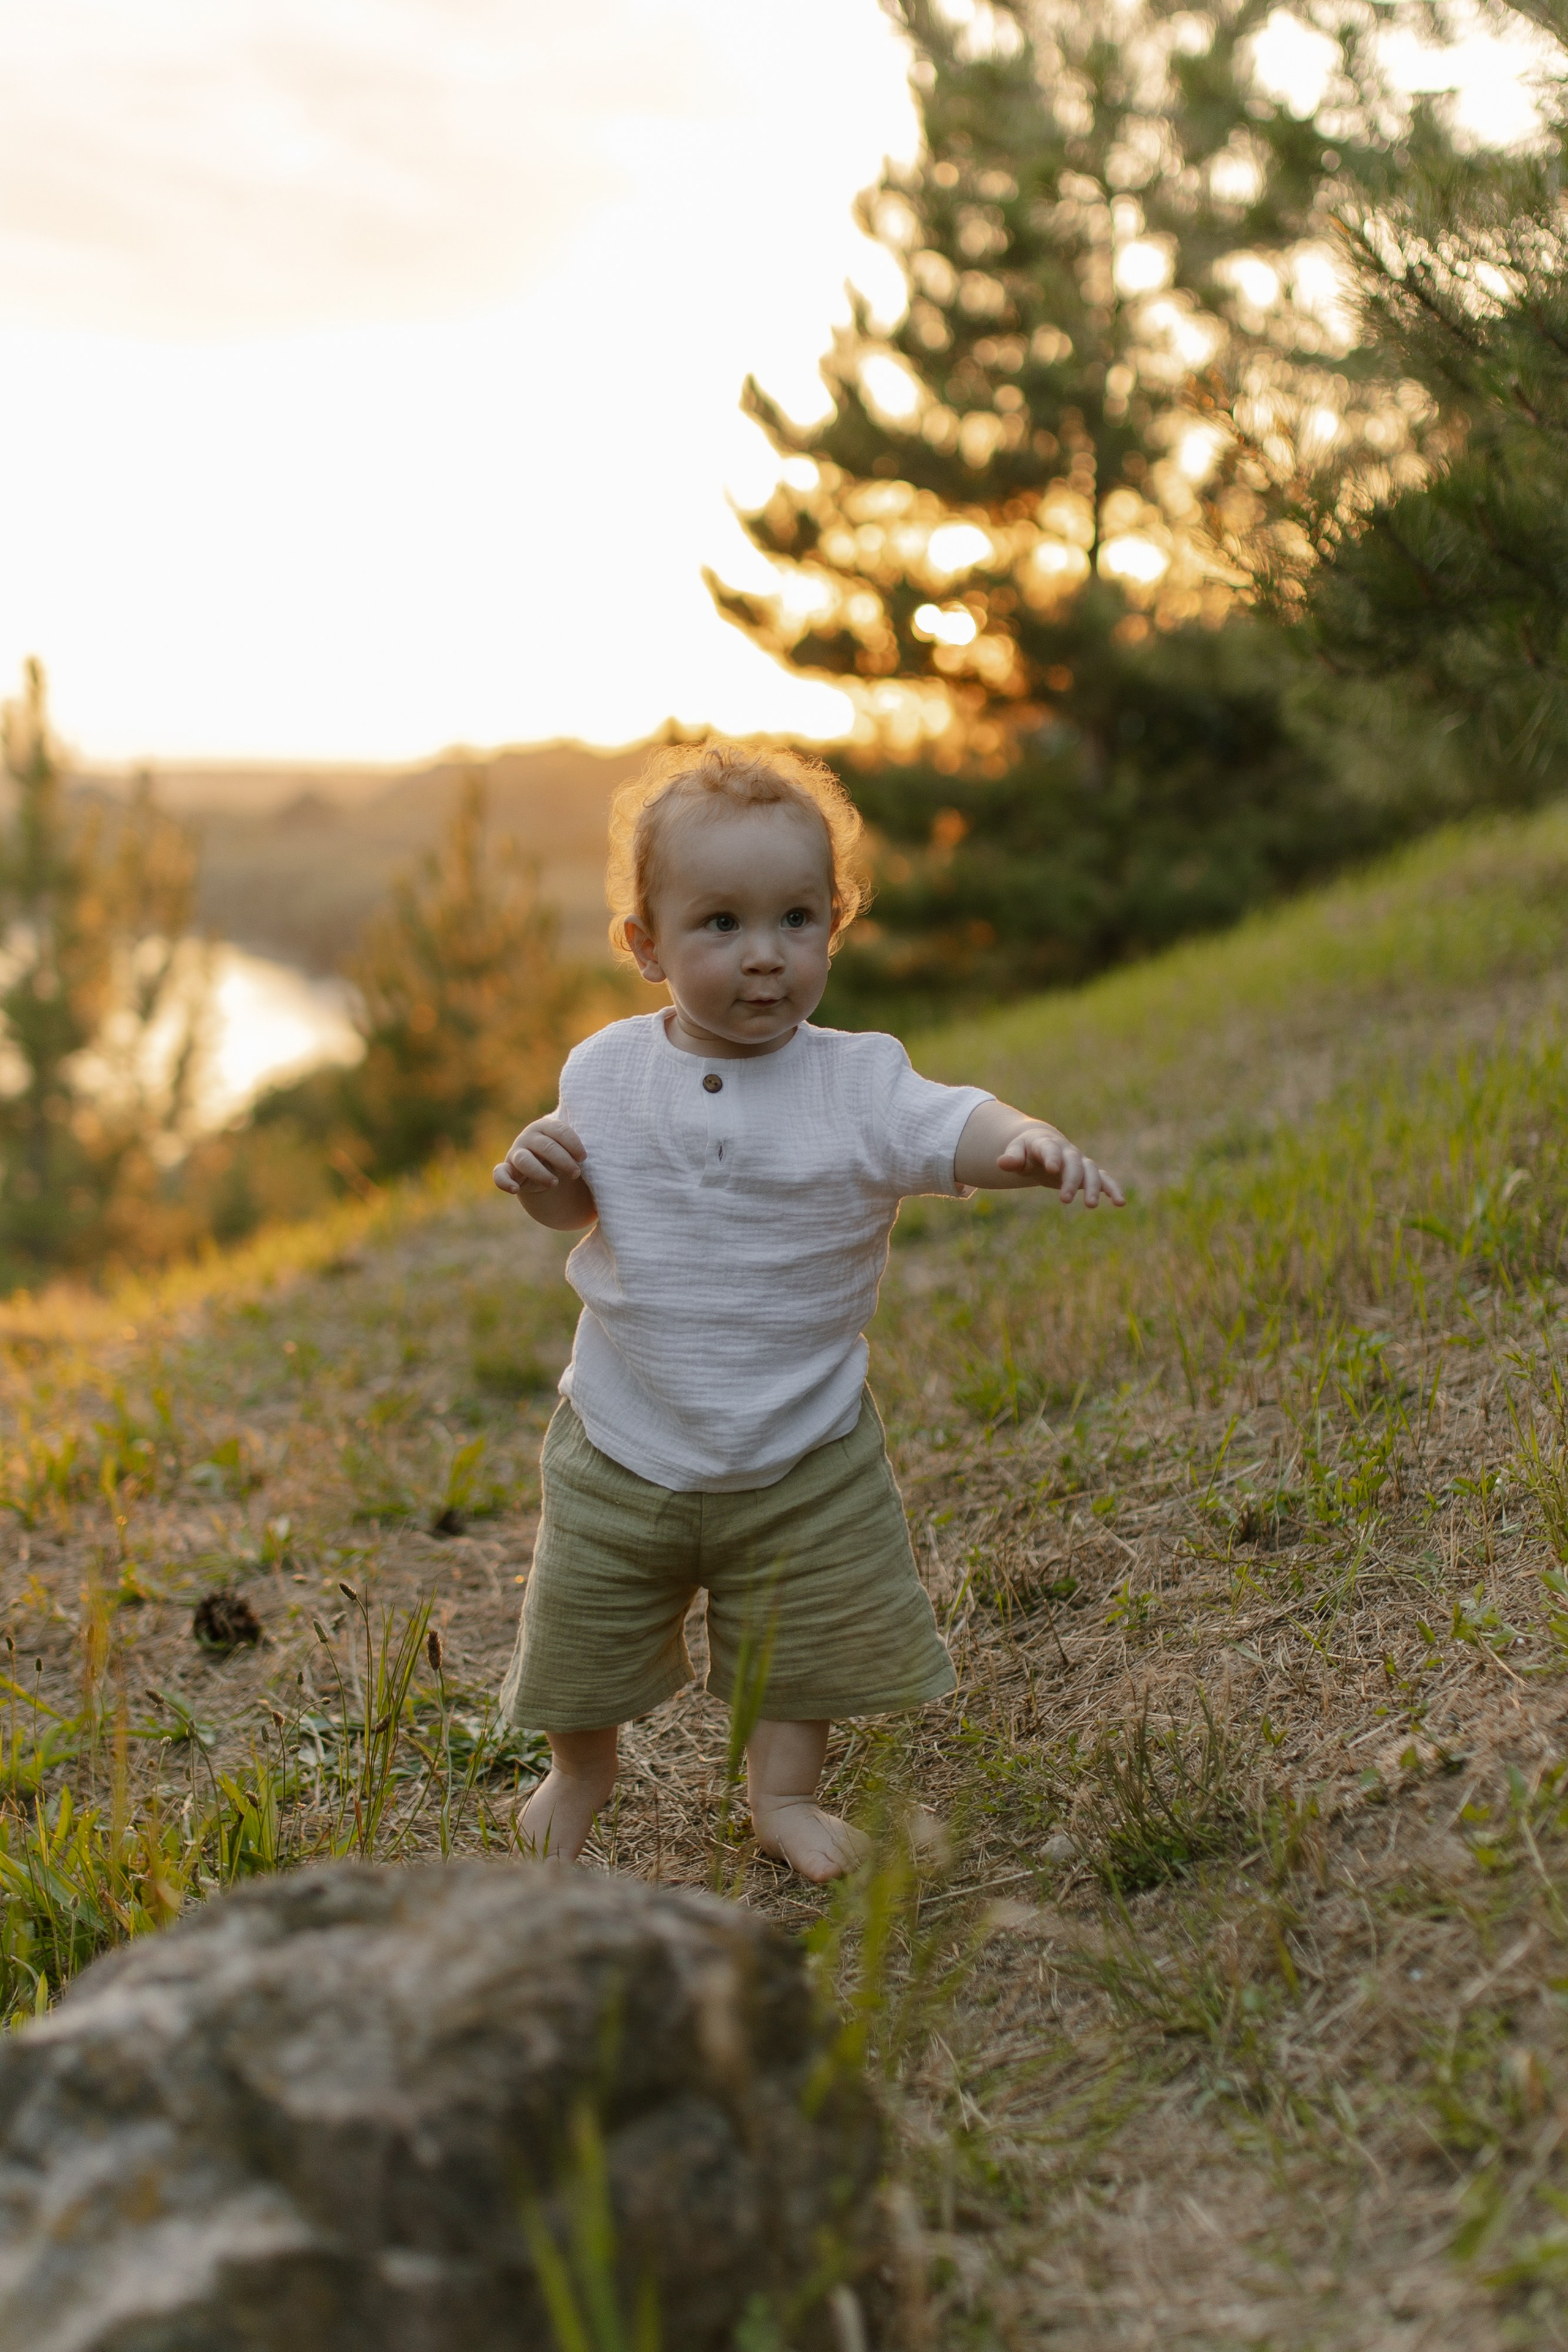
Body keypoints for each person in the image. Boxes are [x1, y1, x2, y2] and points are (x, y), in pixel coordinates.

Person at [492, 742, 1123, 1882]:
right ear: (646, 944)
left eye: (795, 918)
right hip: (625, 1435)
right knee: (583, 1636)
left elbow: (953, 1121)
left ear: (833, 924)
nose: (765, 956)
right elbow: (587, 1202)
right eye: (721, 925)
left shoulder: (858, 1081)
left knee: (807, 1640)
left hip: (803, 1446)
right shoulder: (605, 1072)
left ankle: (782, 1795)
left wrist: (1022, 1143)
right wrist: (549, 1182)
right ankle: (579, 1771)